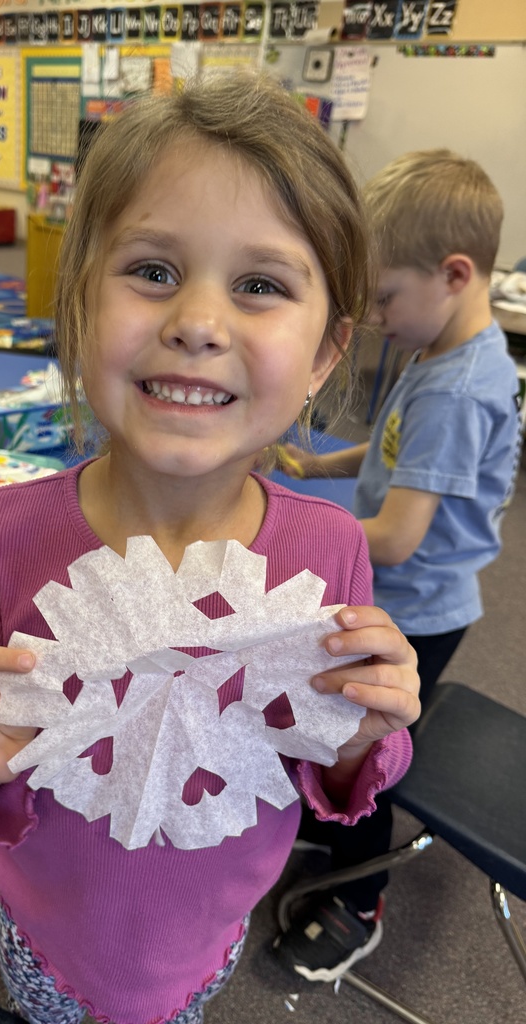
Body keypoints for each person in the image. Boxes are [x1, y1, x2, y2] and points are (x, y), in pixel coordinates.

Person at [0, 72, 419, 1024]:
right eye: (154, 271)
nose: (198, 324)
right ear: (81, 305)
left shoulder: (330, 548)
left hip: (210, 938)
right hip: (47, 939)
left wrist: (363, 741)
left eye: (260, 286)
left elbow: (329, 767)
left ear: (324, 356)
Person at [273, 149, 522, 984]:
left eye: (384, 298)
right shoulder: (444, 350)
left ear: (454, 274)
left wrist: (299, 525)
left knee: (368, 747)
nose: (376, 318)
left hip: (417, 607)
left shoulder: (456, 389)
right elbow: (392, 450)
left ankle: (359, 901)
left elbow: (397, 536)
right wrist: (320, 466)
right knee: (340, 725)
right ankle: (332, 827)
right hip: (413, 597)